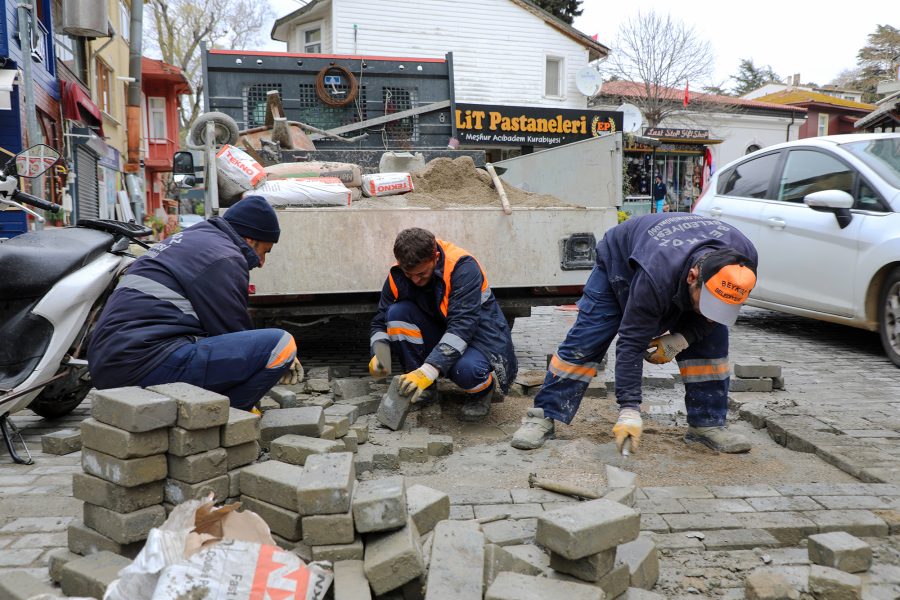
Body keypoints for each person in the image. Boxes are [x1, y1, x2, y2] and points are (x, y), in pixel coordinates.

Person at [511, 213, 758, 454]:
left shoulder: (743, 263)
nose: (711, 314)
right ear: (693, 277)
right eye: (708, 302)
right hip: (621, 263)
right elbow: (631, 342)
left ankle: (707, 423)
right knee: (587, 339)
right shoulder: (657, 274)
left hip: (670, 264)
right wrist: (629, 409)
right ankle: (542, 415)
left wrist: (684, 338)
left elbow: (713, 319)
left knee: (712, 342)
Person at [88, 196, 302, 411]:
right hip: (142, 365)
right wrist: (280, 359)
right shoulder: (225, 258)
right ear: (249, 239)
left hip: (108, 367)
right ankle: (229, 416)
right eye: (264, 251)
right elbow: (233, 331)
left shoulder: (189, 240)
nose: (262, 262)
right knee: (281, 345)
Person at [368, 228, 517, 420]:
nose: (415, 279)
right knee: (396, 313)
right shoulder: (398, 274)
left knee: (465, 371)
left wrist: (429, 370)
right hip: (442, 330)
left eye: (422, 274)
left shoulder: (463, 267)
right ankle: (425, 389)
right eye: (409, 274)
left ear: (435, 257)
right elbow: (380, 321)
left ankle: (483, 391)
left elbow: (462, 326)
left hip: (478, 335)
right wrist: (379, 354)